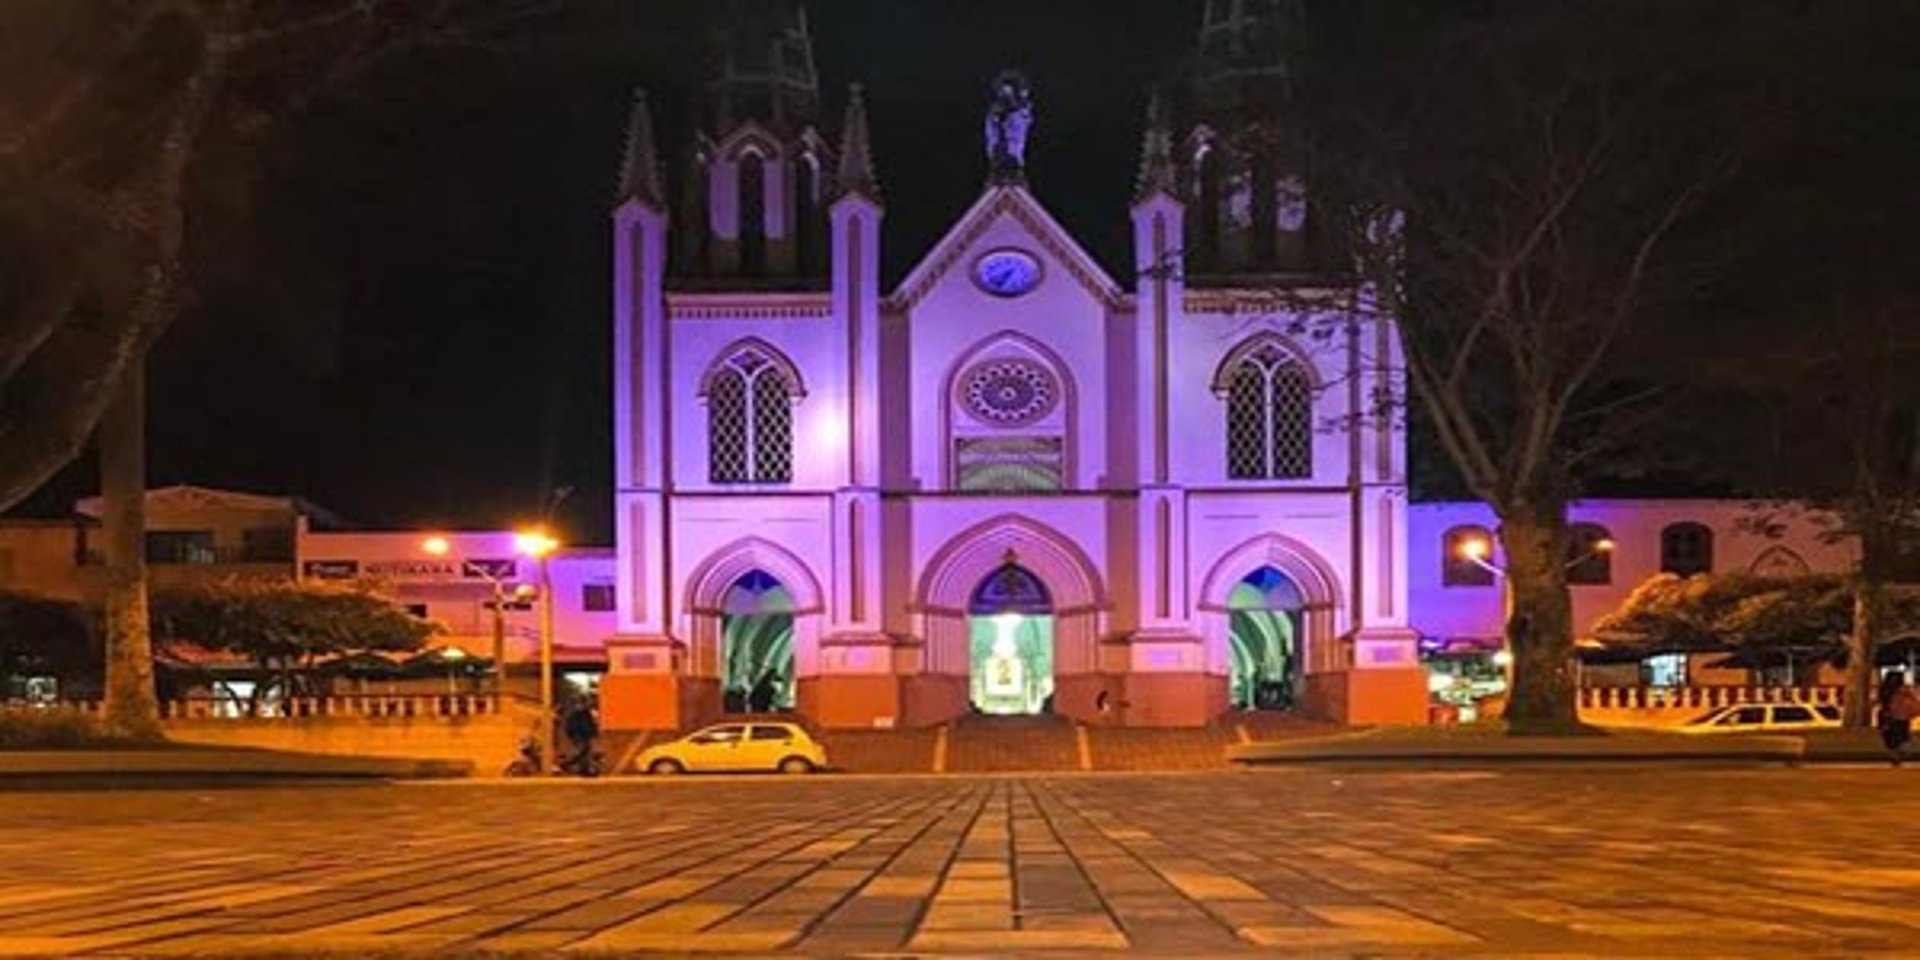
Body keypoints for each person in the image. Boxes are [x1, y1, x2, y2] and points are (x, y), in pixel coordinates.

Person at [1877, 671, 1919, 767]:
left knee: (1893, 740)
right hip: (1898, 718)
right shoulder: (1902, 692)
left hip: (1892, 718)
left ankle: (1895, 755)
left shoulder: (1887, 691)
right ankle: (1897, 754)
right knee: (1900, 739)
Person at [561, 696, 600, 775]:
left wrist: (593, 732)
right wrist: (572, 733)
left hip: (584, 734)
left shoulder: (584, 712)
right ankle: (567, 763)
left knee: (585, 751)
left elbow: (590, 723)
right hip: (579, 734)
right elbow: (571, 724)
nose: (591, 703)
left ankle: (584, 769)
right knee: (583, 749)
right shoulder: (577, 712)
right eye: (589, 701)